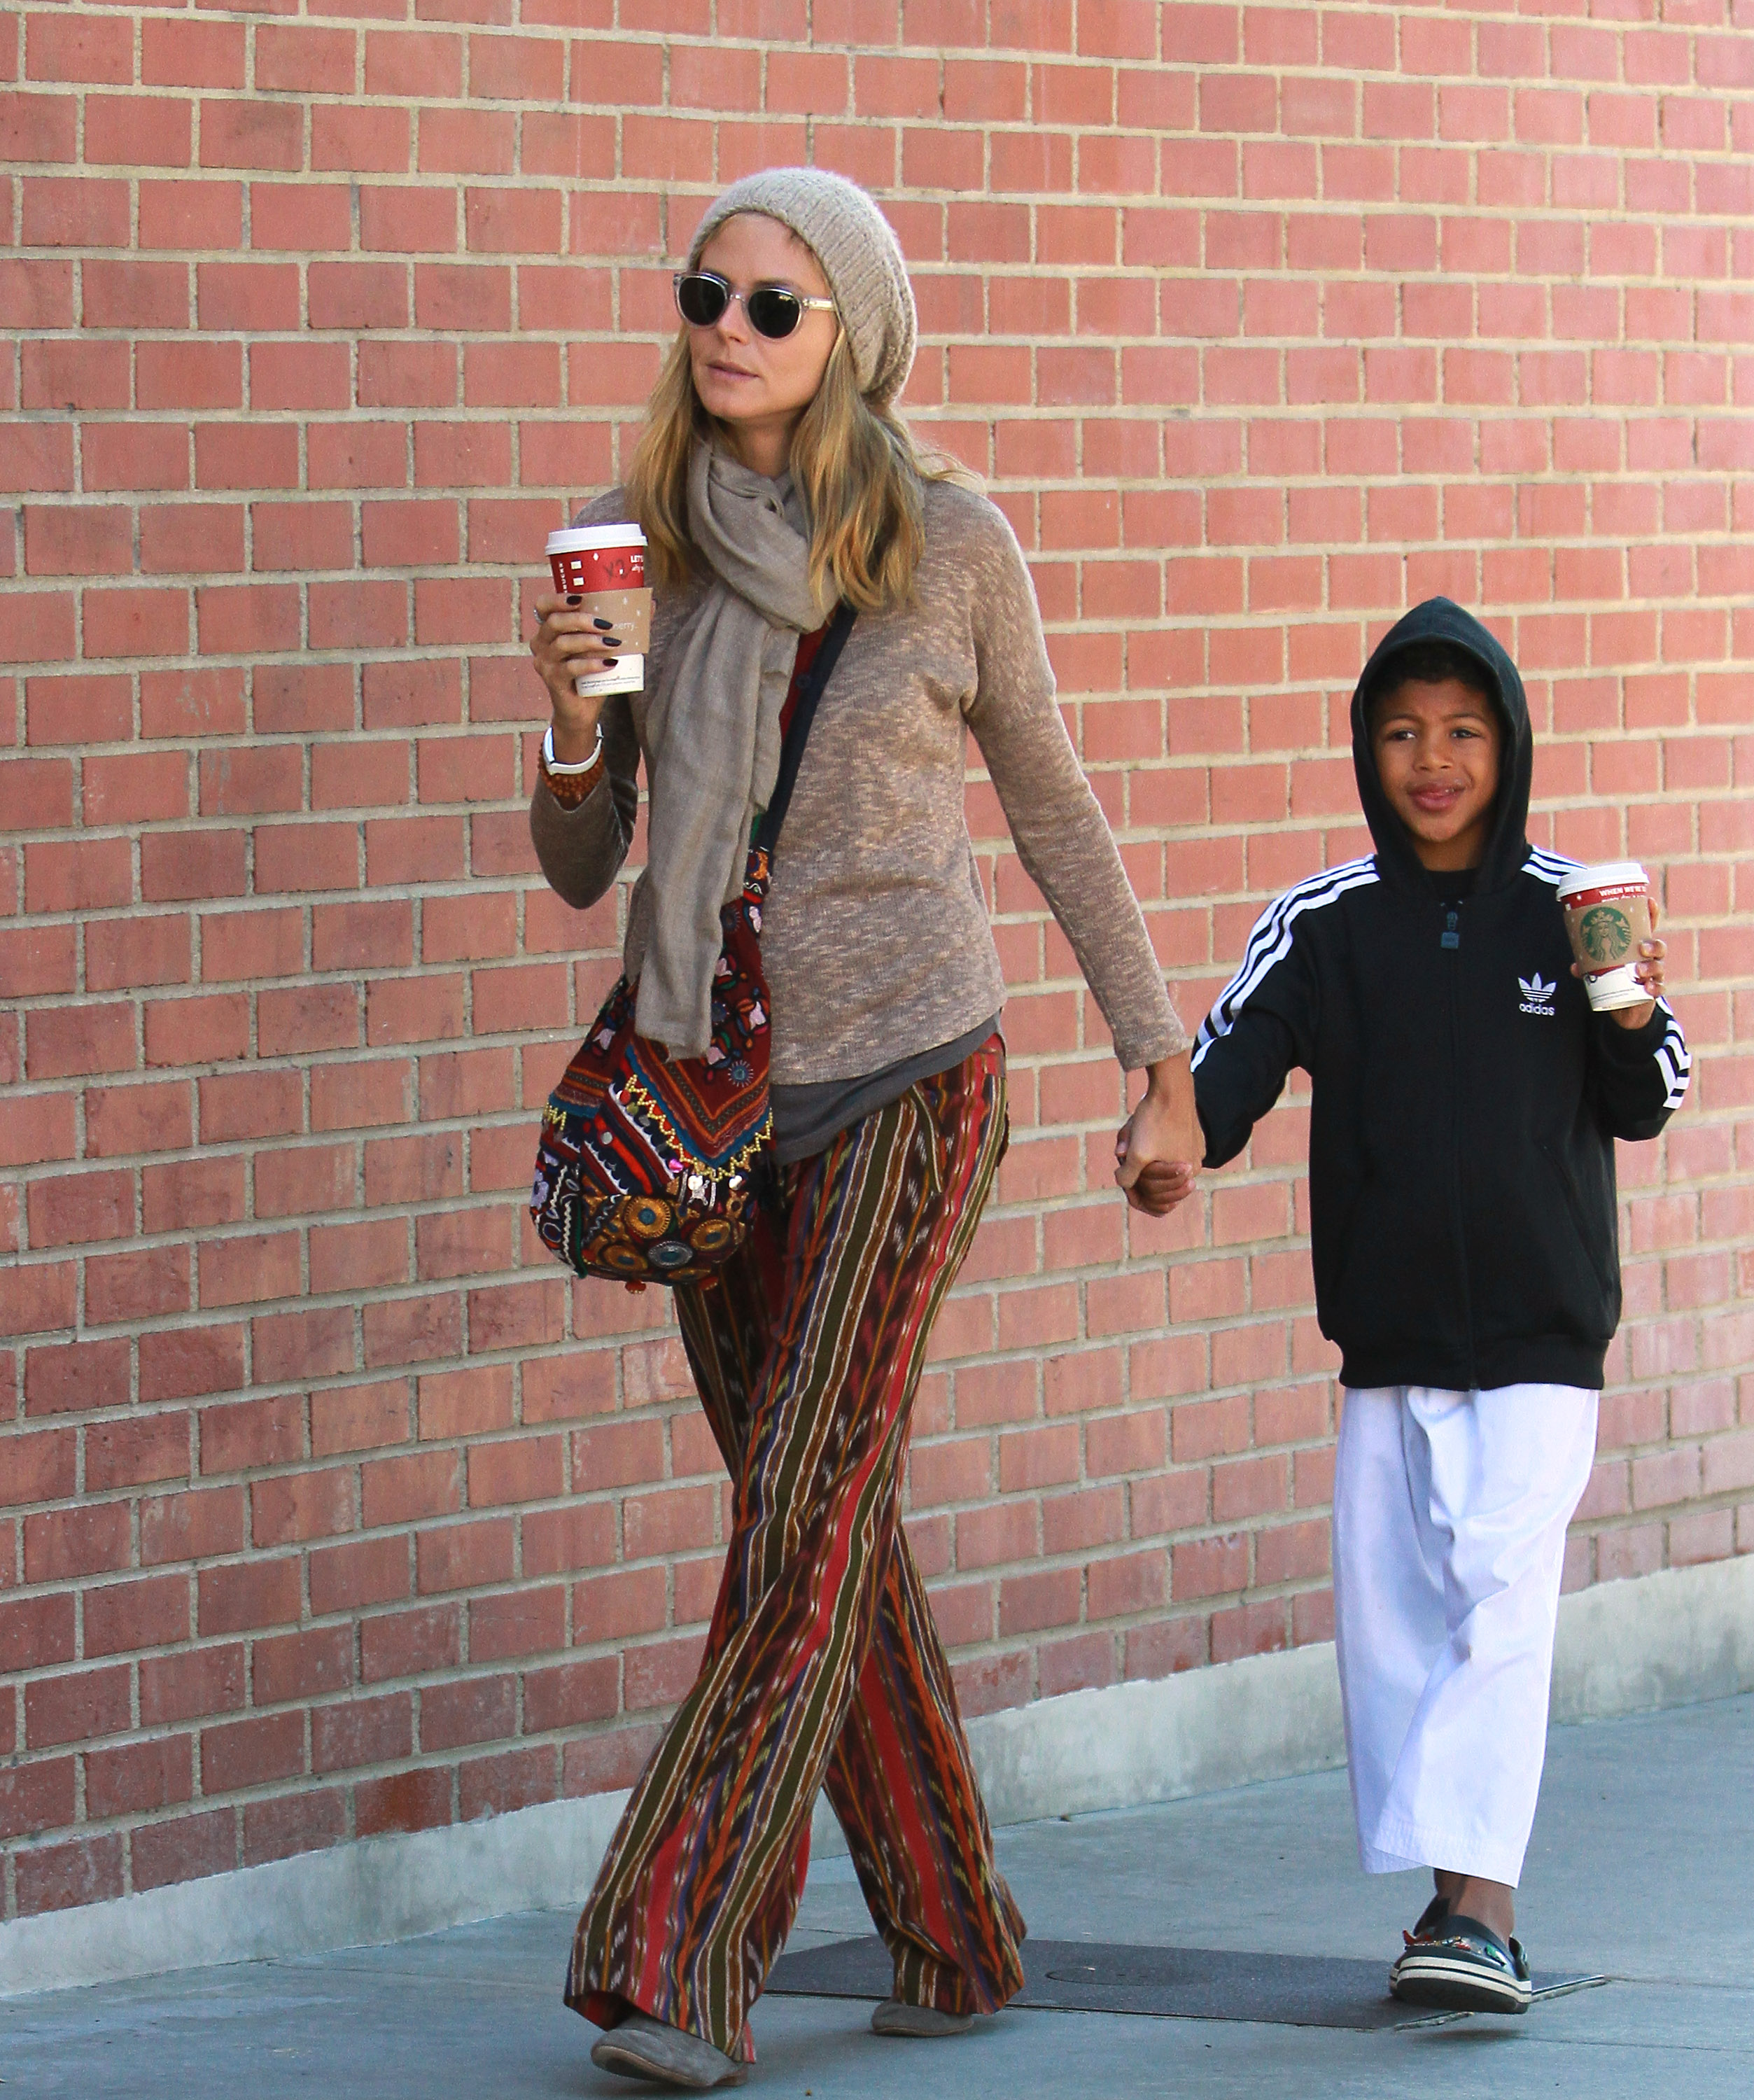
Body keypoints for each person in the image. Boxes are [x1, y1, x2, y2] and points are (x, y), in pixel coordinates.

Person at [525, 167, 1199, 2090]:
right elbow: (590, 864)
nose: (725, 329)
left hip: (913, 1080)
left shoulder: (952, 546)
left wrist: (1159, 1061)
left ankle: (676, 1955)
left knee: (804, 1511)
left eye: (773, 306)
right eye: (705, 293)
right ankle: (957, 1935)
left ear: (858, 342)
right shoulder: (638, 548)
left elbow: (1053, 806)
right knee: (820, 1525)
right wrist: (571, 731)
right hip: (706, 1101)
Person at [1179, 598, 1689, 2015]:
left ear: (1506, 744)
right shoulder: (1325, 921)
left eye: (1461, 731)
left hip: (1541, 1335)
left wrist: (1630, 1008)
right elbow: (1241, 1050)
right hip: (1386, 1337)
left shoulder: (1570, 909)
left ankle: (1482, 1913)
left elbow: (1643, 1105)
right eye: (1401, 732)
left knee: (1500, 1601)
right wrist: (1180, 1137)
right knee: (1401, 1622)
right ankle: (1447, 1910)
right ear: (1366, 749)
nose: (1431, 759)